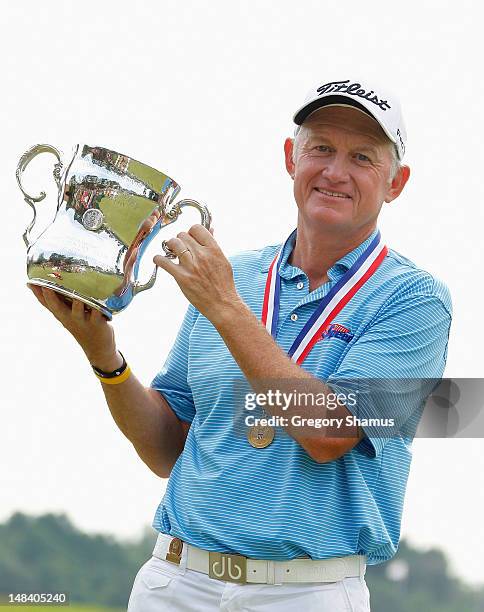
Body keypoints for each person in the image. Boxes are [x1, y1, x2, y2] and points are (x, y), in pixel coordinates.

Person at [29, 77, 452, 611]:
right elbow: (167, 448)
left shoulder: (414, 301)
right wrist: (103, 356)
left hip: (307, 591)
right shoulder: (234, 277)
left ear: (396, 182)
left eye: (362, 157)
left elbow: (329, 431)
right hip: (175, 581)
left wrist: (225, 307)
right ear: (290, 159)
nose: (335, 171)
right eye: (320, 148)